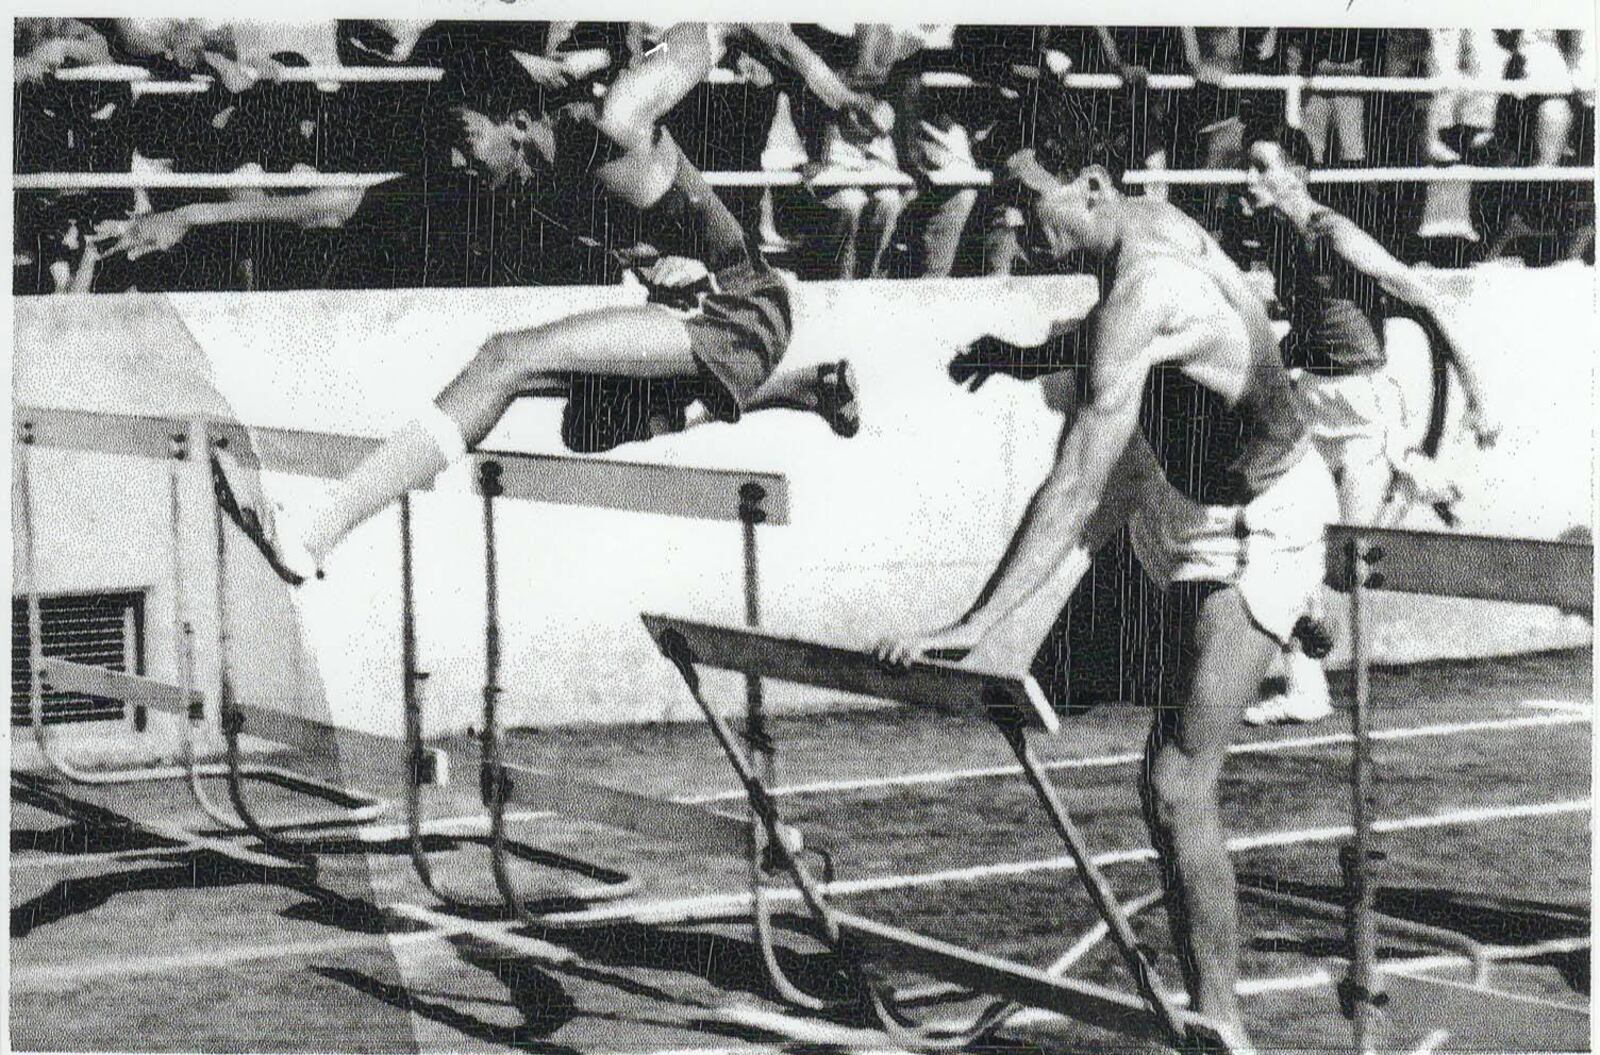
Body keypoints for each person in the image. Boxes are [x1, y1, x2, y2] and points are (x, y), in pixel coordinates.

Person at [877, 151, 1337, 1055]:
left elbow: (1078, 483)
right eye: (1006, 206)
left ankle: (1222, 1028)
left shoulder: (1148, 287)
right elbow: (1112, 333)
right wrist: (1028, 354)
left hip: (1248, 523)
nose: (1019, 227)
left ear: (1090, 185)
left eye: (1031, 206)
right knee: (1047, 697)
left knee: (1172, 786)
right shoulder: (1140, 237)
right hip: (1173, 495)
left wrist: (973, 623)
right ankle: (1287, 624)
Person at [194, 40, 863, 585]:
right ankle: (801, 386)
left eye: (466, 138)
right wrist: (193, 213)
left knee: (506, 358)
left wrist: (827, 88)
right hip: (696, 316)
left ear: (516, 121)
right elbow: (345, 204)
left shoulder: (611, 127)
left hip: (736, 303)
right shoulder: (520, 166)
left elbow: (718, 24)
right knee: (589, 426)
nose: (459, 159)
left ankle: (313, 531)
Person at [1238, 127, 1500, 726]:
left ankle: (1421, 479)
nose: (1246, 181)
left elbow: (1426, 299)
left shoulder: (1334, 231)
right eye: (1244, 170)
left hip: (1363, 411)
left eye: (1260, 168)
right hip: (1311, 402)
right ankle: (1306, 690)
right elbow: (1312, 319)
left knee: (1347, 562)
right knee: (1283, 541)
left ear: (1297, 172)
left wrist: (1480, 399)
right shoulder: (1275, 237)